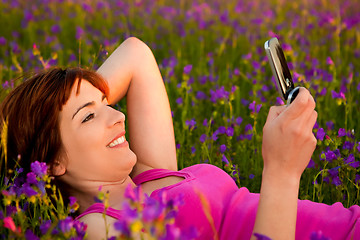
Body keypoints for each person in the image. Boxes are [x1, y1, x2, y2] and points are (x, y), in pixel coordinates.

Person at [0, 37, 359, 240]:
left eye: (106, 102)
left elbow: (136, 54)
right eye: (91, 115)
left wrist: (72, 98)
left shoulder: (151, 172)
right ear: (53, 162)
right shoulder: (99, 227)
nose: (118, 115)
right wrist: (281, 172)